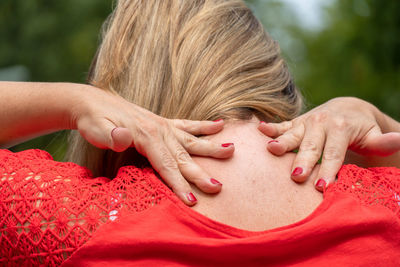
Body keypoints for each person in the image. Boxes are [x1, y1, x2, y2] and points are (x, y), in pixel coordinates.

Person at [1, 0, 399, 266]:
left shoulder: (62, 221)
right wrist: (379, 123)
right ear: (273, 74)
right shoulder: (387, 204)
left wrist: (72, 101)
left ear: (128, 87)